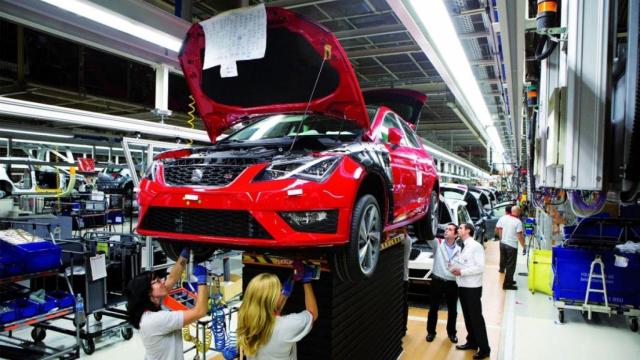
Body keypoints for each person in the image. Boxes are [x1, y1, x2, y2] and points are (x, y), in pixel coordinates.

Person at [125, 248, 210, 360]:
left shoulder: (149, 307)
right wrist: (202, 280)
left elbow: (172, 278)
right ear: (147, 292)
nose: (163, 282)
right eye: (157, 281)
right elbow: (200, 311)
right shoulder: (157, 319)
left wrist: (184, 254)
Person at [237, 271, 318, 360]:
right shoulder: (285, 326)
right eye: (280, 291)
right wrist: (306, 281)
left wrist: (288, 286)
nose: (282, 292)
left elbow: (272, 308)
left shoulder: (245, 319)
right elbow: (312, 313)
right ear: (272, 300)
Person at [450, 223, 490, 360]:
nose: (458, 229)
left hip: (472, 288)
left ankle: (484, 349)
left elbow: (480, 267)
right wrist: (455, 268)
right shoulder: (464, 246)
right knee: (467, 317)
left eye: (460, 228)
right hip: (463, 286)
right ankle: (472, 342)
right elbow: (466, 264)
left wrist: (461, 271)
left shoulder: (476, 246)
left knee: (476, 318)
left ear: (468, 231)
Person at [426, 223, 461, 344]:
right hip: (437, 280)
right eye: (446, 229)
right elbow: (427, 234)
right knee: (433, 308)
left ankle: (452, 333)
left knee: (452, 310)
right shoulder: (438, 243)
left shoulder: (460, 249)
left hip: (452, 283)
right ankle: (431, 332)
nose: (446, 231)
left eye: (450, 230)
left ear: (456, 234)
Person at [495, 205, 525, 290]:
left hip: (503, 244)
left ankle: (510, 280)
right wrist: (524, 246)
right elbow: (519, 236)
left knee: (505, 261)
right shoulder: (518, 222)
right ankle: (507, 284)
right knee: (511, 265)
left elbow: (497, 229)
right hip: (511, 246)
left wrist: (500, 239)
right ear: (518, 212)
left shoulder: (503, 218)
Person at [496, 204, 513, 273]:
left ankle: (501, 269)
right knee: (510, 259)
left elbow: (497, 229)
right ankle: (509, 273)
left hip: (502, 241)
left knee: (502, 256)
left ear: (505, 211)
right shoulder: (515, 219)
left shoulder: (502, 218)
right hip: (511, 242)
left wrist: (498, 237)